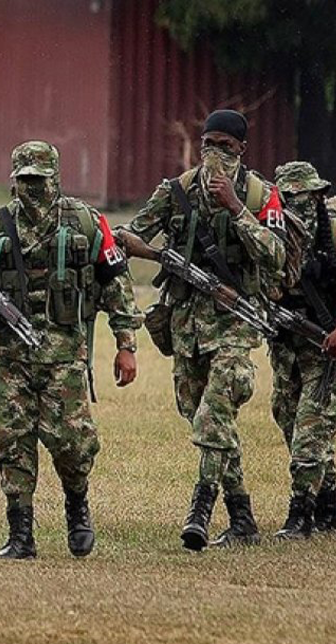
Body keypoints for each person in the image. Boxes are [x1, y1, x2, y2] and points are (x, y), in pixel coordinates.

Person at [0, 140, 141, 559]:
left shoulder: (84, 221)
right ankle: (20, 534)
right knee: (12, 439)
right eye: (23, 181)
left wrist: (125, 344)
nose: (31, 189)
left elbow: (116, 284)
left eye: (38, 181)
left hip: (64, 355)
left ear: (55, 179)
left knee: (73, 442)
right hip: (10, 357)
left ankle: (77, 507)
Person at [121, 110, 286, 551]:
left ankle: (200, 509)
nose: (216, 154)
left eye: (226, 147)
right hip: (186, 325)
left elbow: (276, 255)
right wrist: (156, 256)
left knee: (215, 415)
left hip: (235, 324)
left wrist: (235, 206)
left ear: (242, 150)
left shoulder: (258, 195)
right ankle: (243, 519)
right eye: (209, 144)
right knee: (205, 420)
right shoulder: (175, 191)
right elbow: (128, 235)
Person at [268, 161, 336, 539]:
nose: (301, 204)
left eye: (308, 196)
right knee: (289, 420)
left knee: (311, 433)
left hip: (333, 351)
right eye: (291, 197)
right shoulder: (270, 234)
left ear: (317, 196)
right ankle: (332, 510)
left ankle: (301, 517)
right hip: (289, 348)